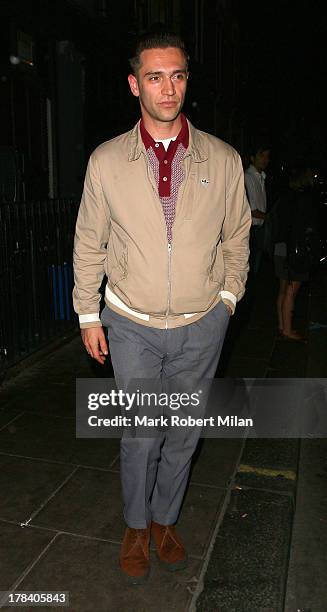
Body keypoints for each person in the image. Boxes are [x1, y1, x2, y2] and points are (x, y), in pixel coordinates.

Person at [73, 32, 251, 584]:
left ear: (186, 81)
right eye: (154, 76)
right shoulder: (106, 161)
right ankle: (134, 523)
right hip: (132, 323)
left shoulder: (222, 158)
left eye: (176, 75)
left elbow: (238, 235)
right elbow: (89, 242)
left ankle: (165, 520)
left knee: (184, 432)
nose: (167, 87)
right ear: (135, 85)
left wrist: (227, 298)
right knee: (143, 432)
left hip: (203, 322)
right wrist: (87, 313)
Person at [274, 164, 316, 341]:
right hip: (294, 249)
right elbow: (304, 228)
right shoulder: (304, 200)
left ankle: (282, 325)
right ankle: (287, 330)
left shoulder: (284, 197)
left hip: (280, 247)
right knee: (291, 290)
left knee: (283, 289)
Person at [245, 142, 270, 278]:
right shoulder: (248, 177)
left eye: (267, 156)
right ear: (253, 158)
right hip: (250, 230)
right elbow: (251, 210)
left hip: (259, 229)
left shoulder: (261, 177)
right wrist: (271, 218)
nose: (265, 159)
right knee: (250, 269)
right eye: (262, 156)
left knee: (256, 269)